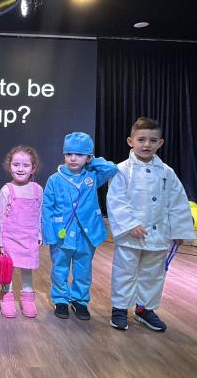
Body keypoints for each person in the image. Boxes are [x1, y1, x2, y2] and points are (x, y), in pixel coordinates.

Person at [106, 116, 194, 331]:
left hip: (158, 236)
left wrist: (179, 230)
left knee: (153, 274)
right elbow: (116, 200)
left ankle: (145, 309)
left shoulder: (167, 172)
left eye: (152, 140)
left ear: (160, 143)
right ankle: (119, 308)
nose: (146, 145)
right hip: (130, 236)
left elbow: (178, 202)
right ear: (131, 141)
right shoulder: (121, 170)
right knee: (124, 272)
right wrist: (129, 224)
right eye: (141, 139)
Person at [42, 132, 117, 321]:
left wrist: (92, 161)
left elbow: (111, 168)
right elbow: (47, 208)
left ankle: (80, 300)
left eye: (79, 154)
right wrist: (49, 234)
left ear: (88, 157)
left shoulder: (92, 175)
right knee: (60, 268)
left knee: (83, 269)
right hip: (62, 235)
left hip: (86, 234)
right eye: (69, 154)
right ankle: (61, 299)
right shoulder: (54, 179)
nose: (73, 158)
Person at [0, 145, 43, 318]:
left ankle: (27, 297)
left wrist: (40, 233)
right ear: (9, 166)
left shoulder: (37, 190)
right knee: (8, 268)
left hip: (29, 237)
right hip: (9, 238)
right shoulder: (7, 190)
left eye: (26, 165)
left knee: (27, 268)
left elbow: (40, 214)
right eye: (16, 165)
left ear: (33, 168)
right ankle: (6, 295)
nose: (20, 169)